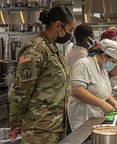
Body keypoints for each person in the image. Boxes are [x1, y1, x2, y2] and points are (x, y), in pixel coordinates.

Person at [8, 6, 76, 143]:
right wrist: (15, 123)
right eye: (70, 30)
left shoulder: (53, 50)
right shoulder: (35, 50)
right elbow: (21, 92)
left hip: (55, 128)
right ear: (58, 25)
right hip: (38, 131)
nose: (70, 34)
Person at [68, 39, 117, 131]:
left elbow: (103, 91)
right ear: (104, 55)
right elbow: (78, 91)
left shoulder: (103, 69)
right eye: (114, 61)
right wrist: (101, 103)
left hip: (96, 117)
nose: (115, 64)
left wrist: (115, 103)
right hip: (83, 116)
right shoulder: (84, 64)